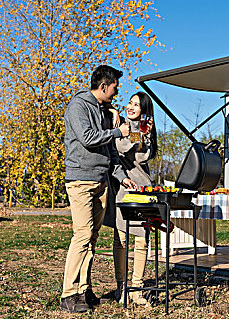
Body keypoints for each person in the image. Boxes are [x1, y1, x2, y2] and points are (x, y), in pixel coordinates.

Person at [61, 65, 138, 313]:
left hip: (101, 180)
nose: (117, 91)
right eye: (115, 86)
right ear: (104, 86)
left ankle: (84, 290)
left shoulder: (105, 110)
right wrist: (118, 130)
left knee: (92, 238)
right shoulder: (78, 106)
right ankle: (68, 294)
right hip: (81, 180)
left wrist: (121, 177)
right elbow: (88, 138)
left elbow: (111, 151)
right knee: (82, 236)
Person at [103, 92, 157, 305]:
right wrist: (115, 112)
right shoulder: (121, 126)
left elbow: (143, 155)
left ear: (144, 110)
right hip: (121, 187)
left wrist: (145, 136)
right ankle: (122, 287)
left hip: (141, 186)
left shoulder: (143, 130)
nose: (131, 107)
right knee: (121, 238)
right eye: (130, 103)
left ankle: (137, 287)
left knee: (142, 239)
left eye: (137, 105)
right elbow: (120, 148)